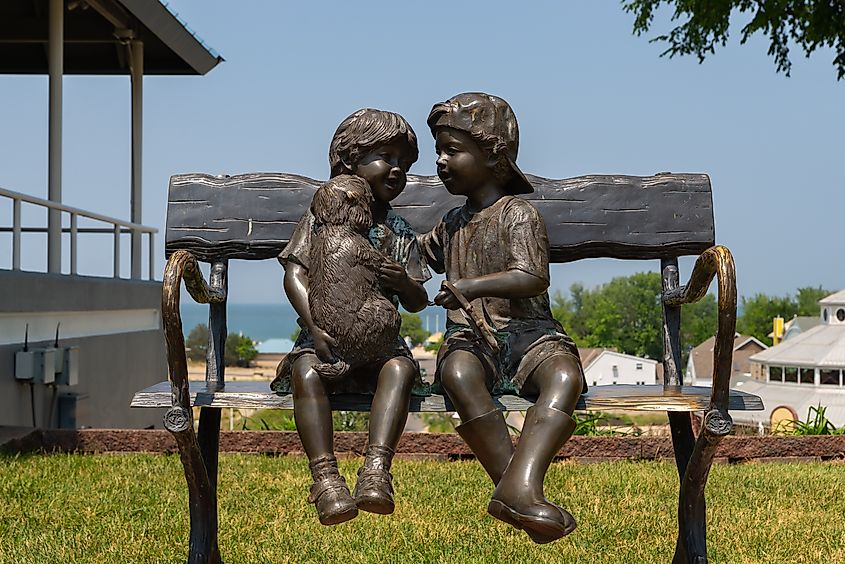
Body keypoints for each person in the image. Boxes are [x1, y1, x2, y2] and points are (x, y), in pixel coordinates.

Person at [420, 92, 587, 544]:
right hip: (473, 338)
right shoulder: (451, 223)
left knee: (565, 378)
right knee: (456, 371)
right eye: (439, 149)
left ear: (493, 154)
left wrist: (471, 286)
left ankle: (516, 487)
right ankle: (518, 489)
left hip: (532, 336)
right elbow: (416, 260)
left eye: (451, 150)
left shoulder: (519, 214)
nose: (440, 161)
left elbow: (531, 277)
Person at [272, 109, 429, 525]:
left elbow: (417, 301)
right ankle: (325, 479)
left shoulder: (399, 230)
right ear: (348, 161)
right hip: (326, 338)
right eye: (385, 157)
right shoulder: (322, 220)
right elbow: (294, 274)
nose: (396, 170)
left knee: (399, 369)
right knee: (307, 372)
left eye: (404, 164)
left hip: (379, 347)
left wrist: (405, 284)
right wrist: (315, 329)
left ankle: (376, 471)